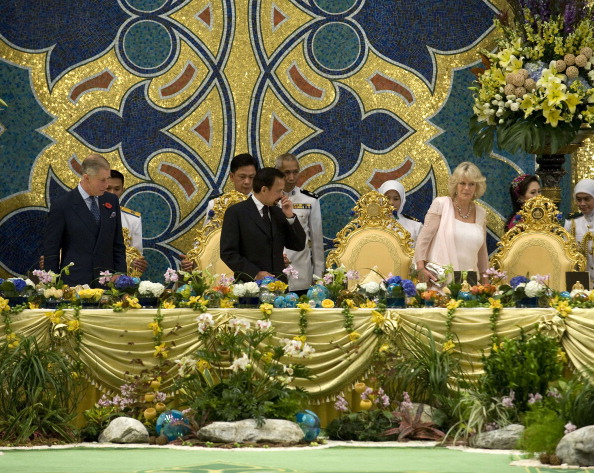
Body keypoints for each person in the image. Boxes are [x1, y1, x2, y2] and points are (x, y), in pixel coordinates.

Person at [43, 153, 127, 286]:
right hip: (74, 283)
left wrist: (121, 274)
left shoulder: (111, 201)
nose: (106, 186)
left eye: (107, 179)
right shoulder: (62, 205)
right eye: (102, 180)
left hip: (108, 283)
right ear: (87, 178)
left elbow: (118, 243)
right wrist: (52, 284)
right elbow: (51, 250)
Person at [220, 167, 306, 282]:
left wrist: (290, 217)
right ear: (264, 189)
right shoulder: (236, 212)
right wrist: (255, 274)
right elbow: (228, 253)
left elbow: (298, 245)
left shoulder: (278, 212)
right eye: (278, 191)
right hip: (250, 287)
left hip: (279, 286)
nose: (282, 195)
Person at [414, 162, 489, 285]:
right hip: (440, 280)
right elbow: (423, 239)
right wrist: (421, 268)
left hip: (469, 282)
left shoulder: (481, 213)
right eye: (462, 183)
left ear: (477, 187)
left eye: (471, 184)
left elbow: (482, 253)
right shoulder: (441, 204)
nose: (466, 188)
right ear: (455, 185)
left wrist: (486, 284)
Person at [275, 153, 324, 294]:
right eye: (286, 173)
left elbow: (316, 241)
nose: (291, 178)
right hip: (273, 274)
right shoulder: (268, 198)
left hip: (301, 273)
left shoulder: (310, 200)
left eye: (295, 172)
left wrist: (318, 277)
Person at [106, 170, 148, 274]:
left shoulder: (133, 219)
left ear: (122, 190)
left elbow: (136, 255)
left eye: (117, 189)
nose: (112, 193)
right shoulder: (88, 215)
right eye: (108, 188)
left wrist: (137, 264)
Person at [203, 153, 258, 226]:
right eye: (242, 177)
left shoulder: (261, 203)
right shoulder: (216, 204)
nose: (247, 182)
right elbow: (208, 234)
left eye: (251, 177)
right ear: (231, 176)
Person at [564, 178, 594, 283]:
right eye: (578, 199)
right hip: (581, 282)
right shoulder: (572, 223)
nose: (582, 203)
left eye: (587, 199)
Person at [377, 179, 423, 244]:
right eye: (387, 198)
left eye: (396, 199)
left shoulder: (415, 227)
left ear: (402, 200)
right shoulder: (372, 225)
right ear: (381, 200)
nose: (391, 202)